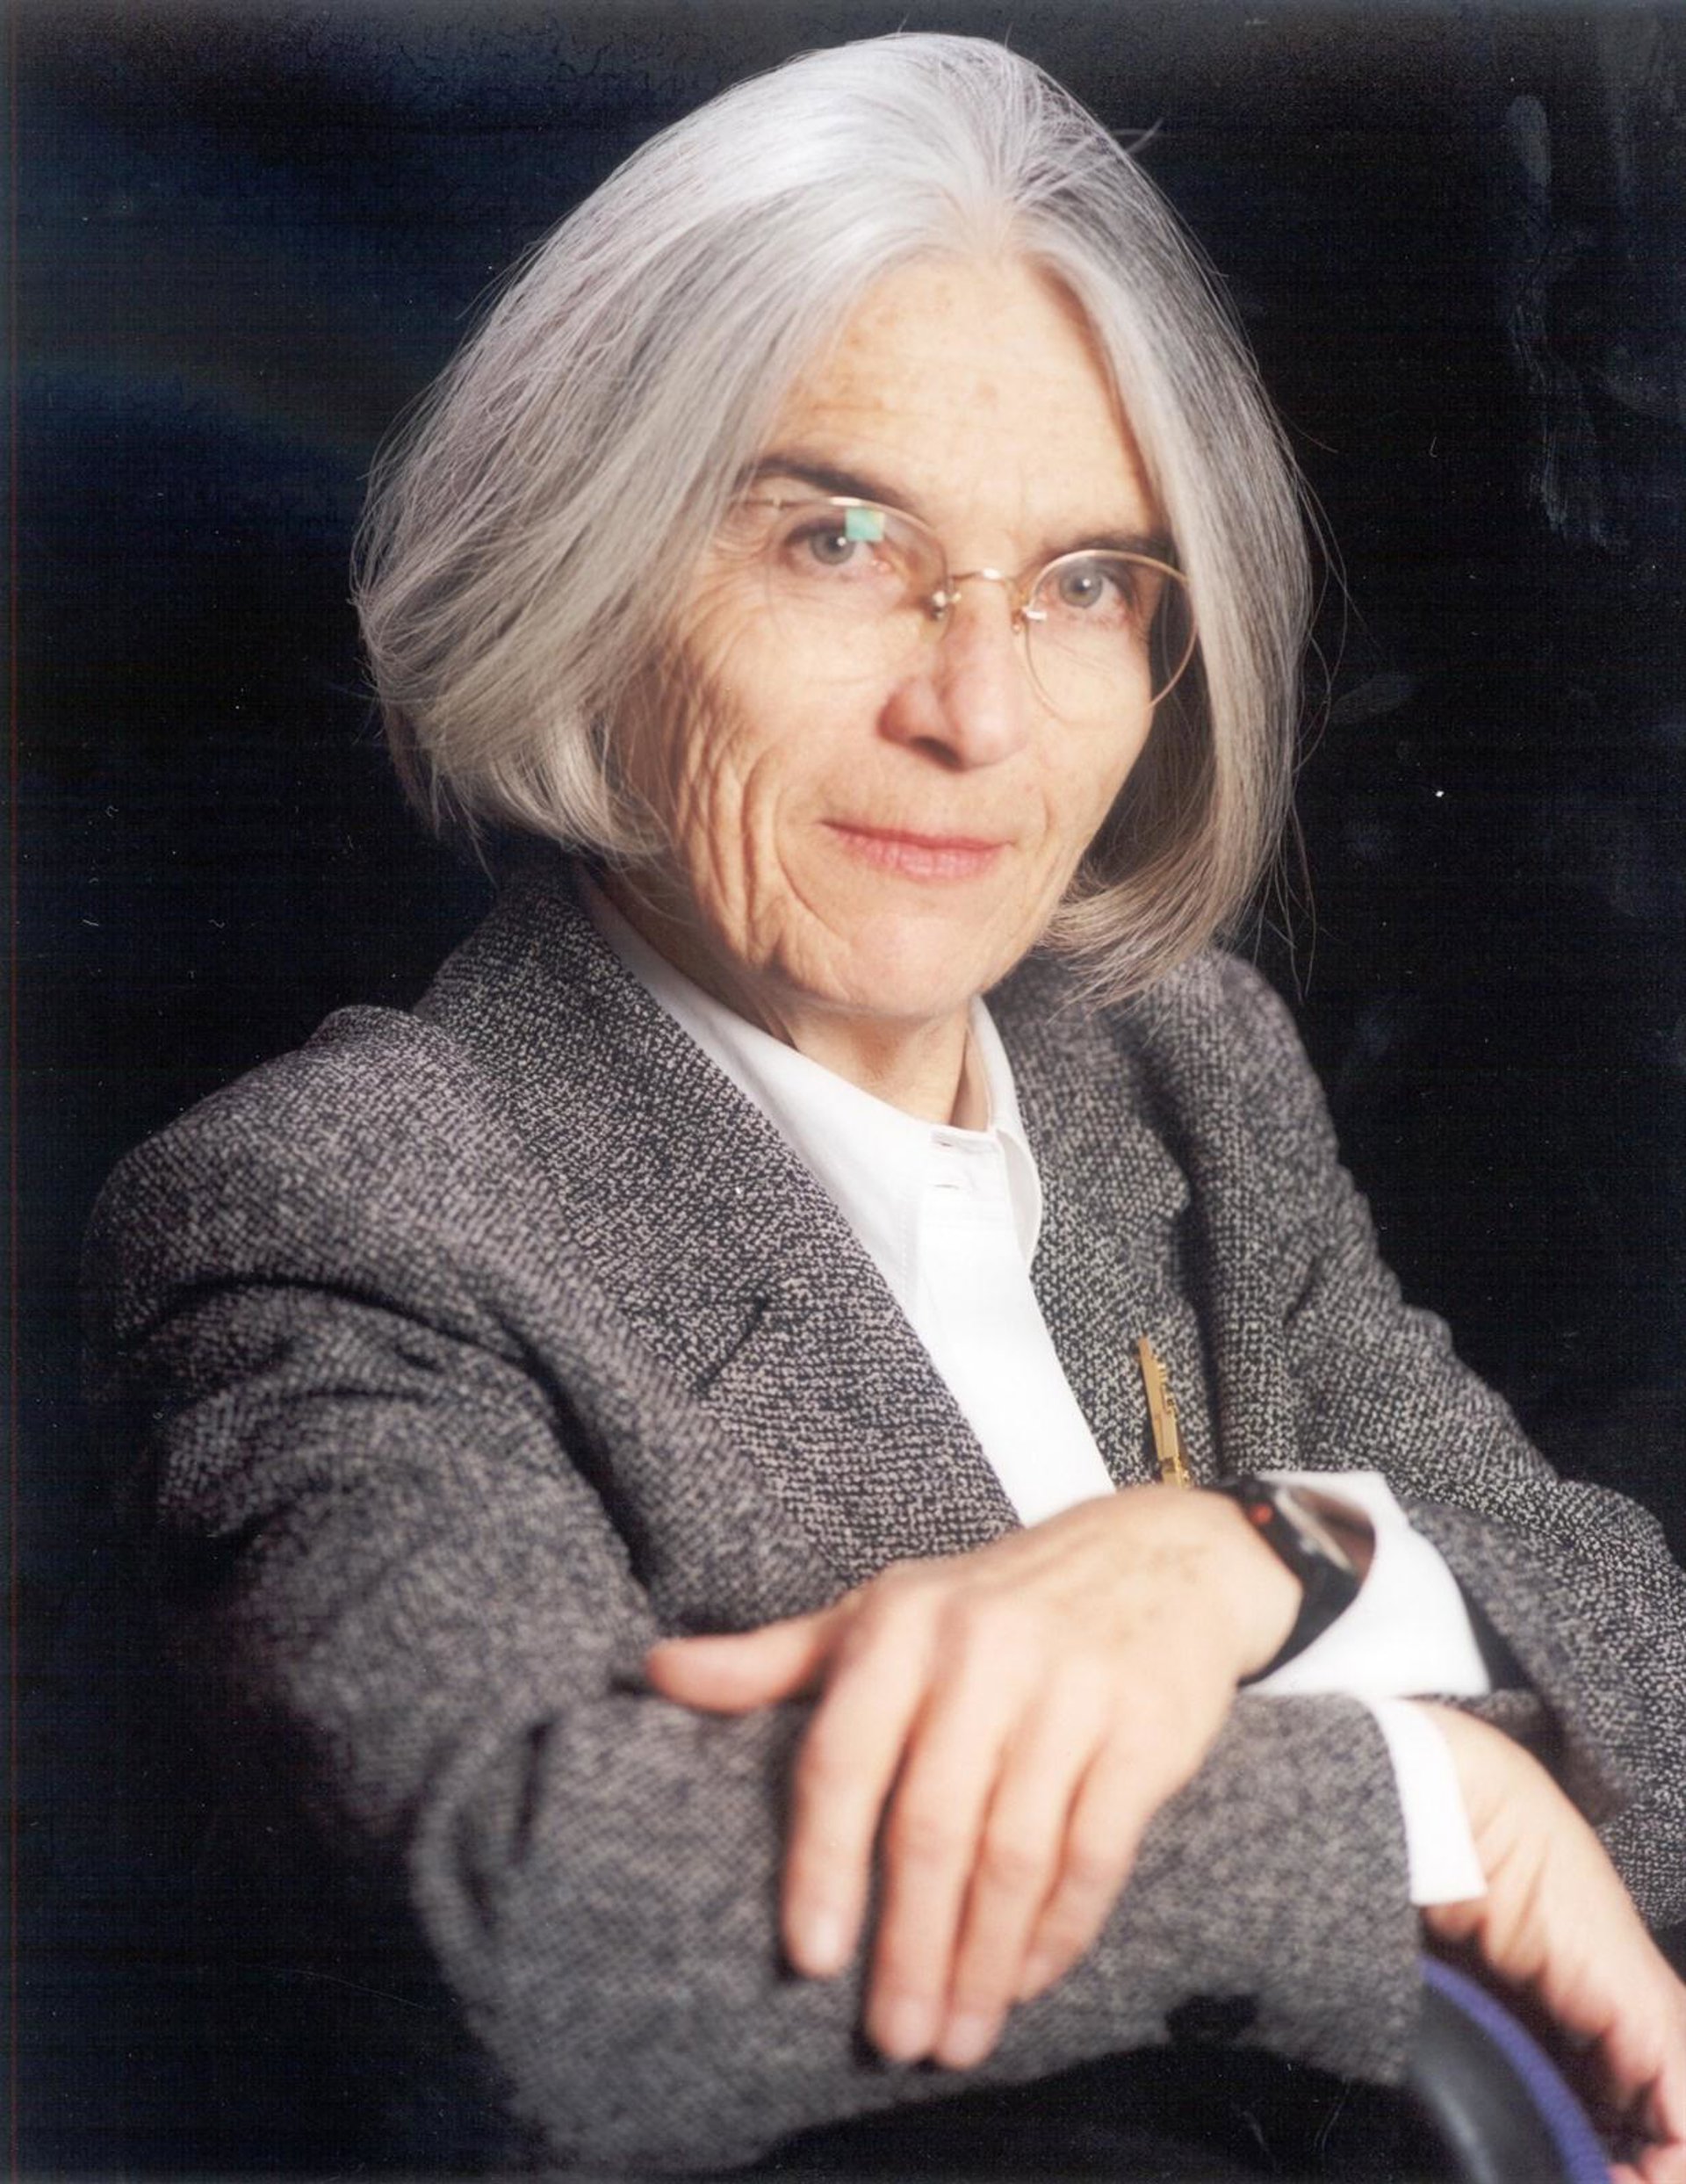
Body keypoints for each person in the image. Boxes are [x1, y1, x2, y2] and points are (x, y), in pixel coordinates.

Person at [83, 32, 1686, 2181]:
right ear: (591, 566)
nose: (978, 710)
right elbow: (549, 1942)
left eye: (1088, 581)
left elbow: (1651, 1674)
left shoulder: (1180, 1073)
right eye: (841, 540)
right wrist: (1417, 1805)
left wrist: (1249, 1560)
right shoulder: (338, 1203)